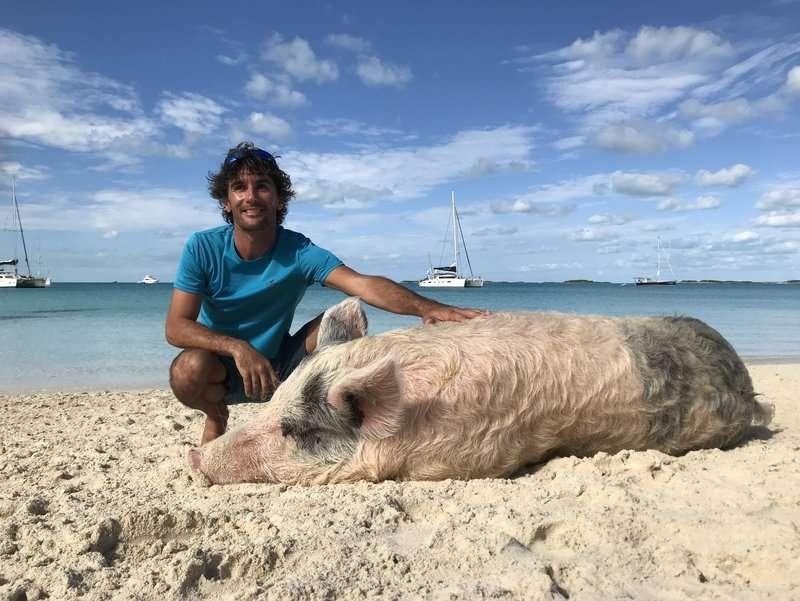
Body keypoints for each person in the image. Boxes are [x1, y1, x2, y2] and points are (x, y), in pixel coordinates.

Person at [166, 142, 486, 444]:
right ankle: (215, 414)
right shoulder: (203, 247)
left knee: (348, 314)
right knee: (186, 370)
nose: (251, 196)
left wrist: (426, 308)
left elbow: (361, 284)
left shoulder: (298, 250)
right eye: (239, 187)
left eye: (262, 185)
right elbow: (176, 326)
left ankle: (328, 417)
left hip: (281, 368)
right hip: (219, 371)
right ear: (226, 201)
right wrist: (238, 348)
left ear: (279, 199)